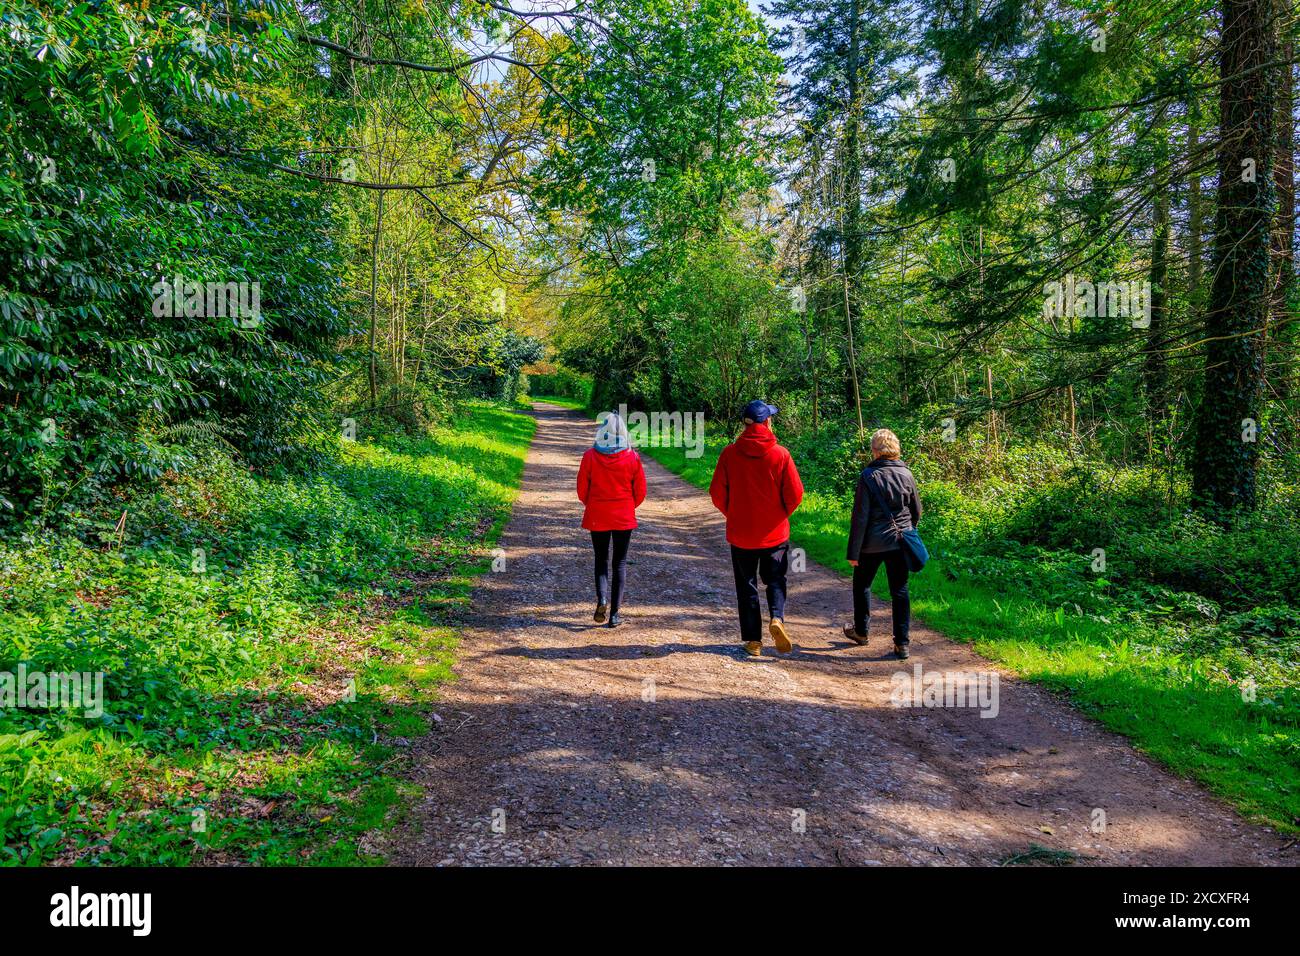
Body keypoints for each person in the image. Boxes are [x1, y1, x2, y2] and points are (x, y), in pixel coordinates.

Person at [709, 400, 804, 657]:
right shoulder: (781, 454)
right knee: (775, 579)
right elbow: (795, 494)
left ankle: (753, 641)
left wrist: (734, 514)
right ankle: (777, 618)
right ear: (767, 422)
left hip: (741, 534)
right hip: (774, 533)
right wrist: (780, 515)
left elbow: (717, 493)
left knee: (746, 584)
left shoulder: (729, 453)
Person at [844, 428, 922, 659]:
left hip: (871, 544)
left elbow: (860, 516)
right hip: (900, 541)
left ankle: (861, 632)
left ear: (875, 451)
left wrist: (854, 552)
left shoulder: (868, 476)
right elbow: (916, 510)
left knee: (862, 585)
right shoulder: (907, 473)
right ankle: (902, 643)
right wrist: (909, 531)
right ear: (895, 449)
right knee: (899, 590)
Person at [577, 411, 647, 627]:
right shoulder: (632, 457)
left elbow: (582, 489)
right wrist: (627, 506)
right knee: (620, 563)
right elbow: (641, 491)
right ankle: (615, 614)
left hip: (598, 514)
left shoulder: (590, 456)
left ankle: (602, 599)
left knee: (601, 560)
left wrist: (594, 504)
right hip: (623, 517)